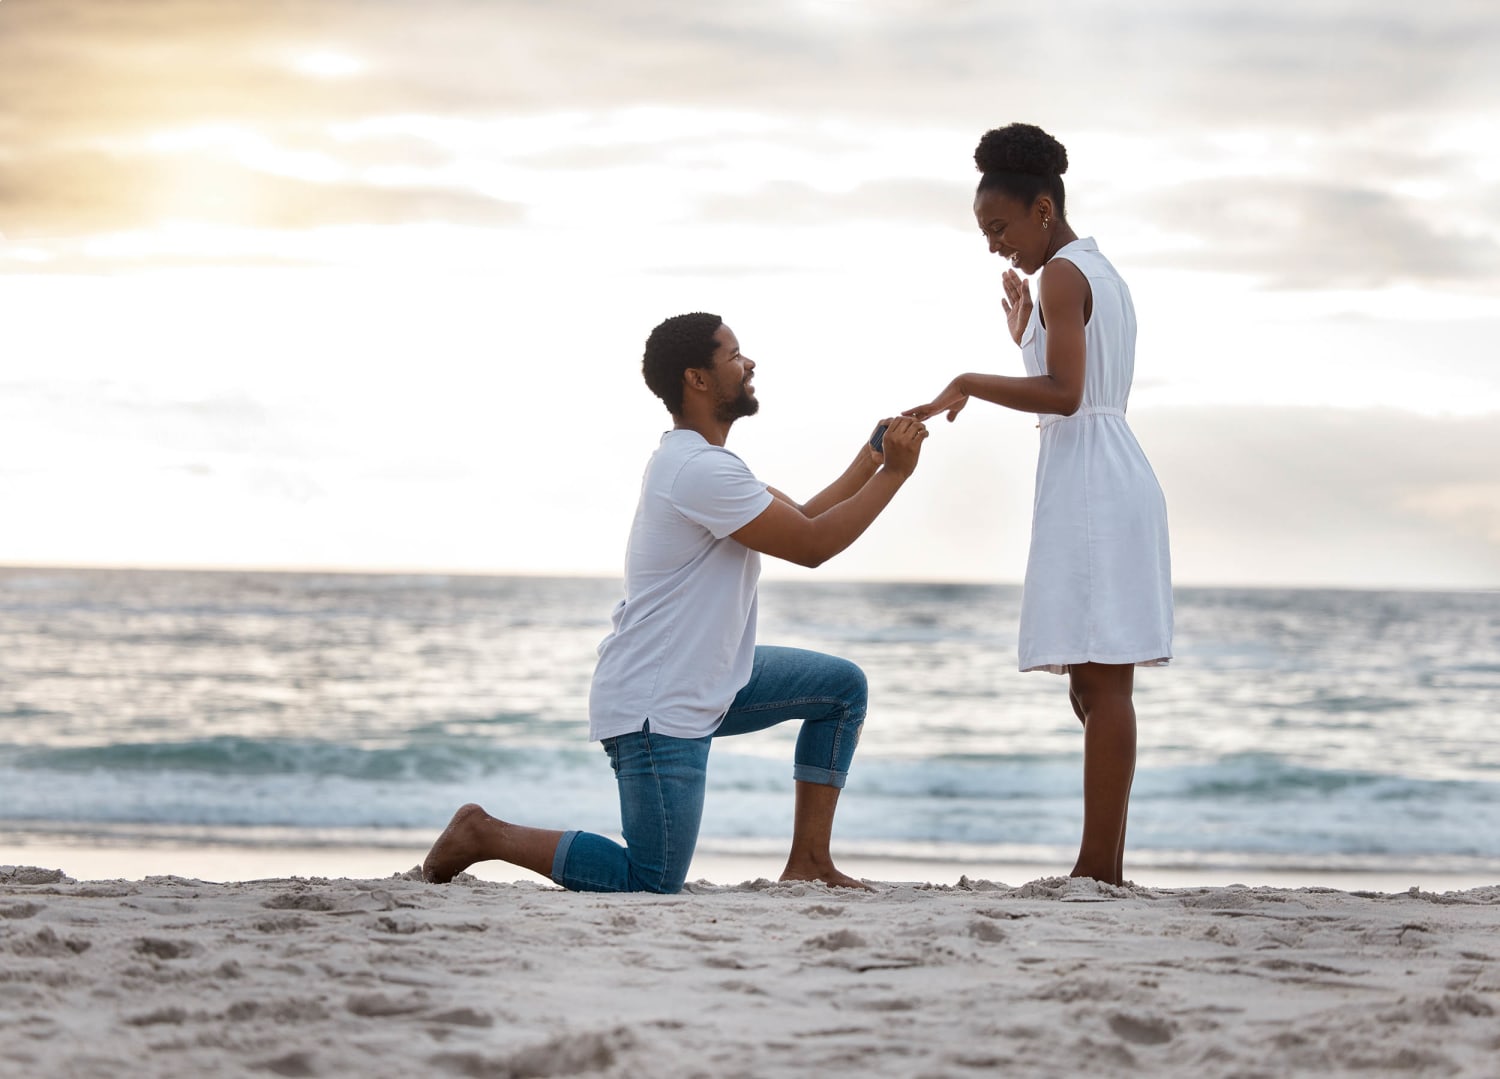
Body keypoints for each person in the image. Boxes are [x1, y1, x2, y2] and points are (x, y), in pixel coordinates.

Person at [424, 312, 928, 893]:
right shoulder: (697, 470)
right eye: (735, 355)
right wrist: (896, 474)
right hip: (656, 702)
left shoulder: (704, 464)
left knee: (841, 690)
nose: (750, 364)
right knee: (653, 877)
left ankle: (810, 860)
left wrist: (872, 456)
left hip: (710, 679)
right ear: (698, 379)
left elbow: (808, 516)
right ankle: (483, 833)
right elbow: (813, 547)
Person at [905, 123, 1172, 886]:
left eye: (999, 227)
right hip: (1101, 472)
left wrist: (969, 380)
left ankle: (1098, 868)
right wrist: (1025, 332)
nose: (994, 245)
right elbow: (1070, 379)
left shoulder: (1062, 275)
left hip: (1093, 482)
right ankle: (1105, 864)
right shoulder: (1094, 272)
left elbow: (1065, 393)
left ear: (1043, 209)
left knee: (1104, 681)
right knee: (1090, 681)